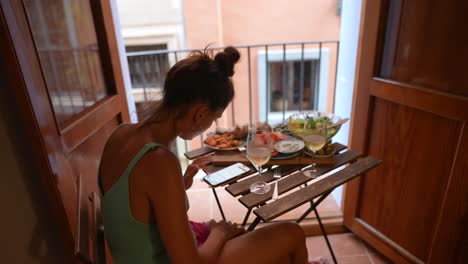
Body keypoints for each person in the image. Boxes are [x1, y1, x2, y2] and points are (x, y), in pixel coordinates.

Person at [98, 47, 316, 264]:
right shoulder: (159, 161)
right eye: (214, 117)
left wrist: (178, 186)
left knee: (276, 253)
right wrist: (219, 233)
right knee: (292, 233)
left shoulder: (121, 133)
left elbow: (134, 201)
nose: (210, 124)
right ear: (200, 113)